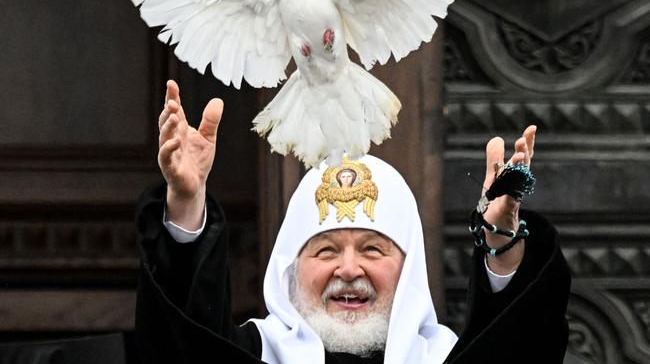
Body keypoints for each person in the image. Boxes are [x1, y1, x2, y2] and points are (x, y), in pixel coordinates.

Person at [135, 80, 571, 363]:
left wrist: (502, 239)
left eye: (372, 248)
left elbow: (523, 347)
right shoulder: (254, 355)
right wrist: (186, 203)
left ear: (409, 269)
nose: (347, 270)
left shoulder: (441, 360)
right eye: (325, 249)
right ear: (290, 269)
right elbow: (176, 343)